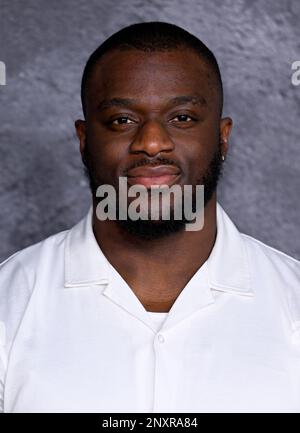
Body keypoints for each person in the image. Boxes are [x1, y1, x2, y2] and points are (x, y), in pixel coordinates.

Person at [0, 21, 299, 413]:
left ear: (223, 138)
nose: (153, 142)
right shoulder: (9, 306)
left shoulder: (292, 305)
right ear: (85, 140)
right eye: (122, 120)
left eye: (183, 118)